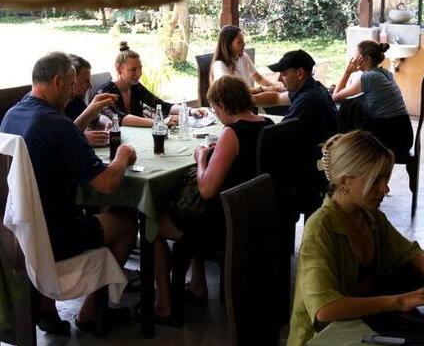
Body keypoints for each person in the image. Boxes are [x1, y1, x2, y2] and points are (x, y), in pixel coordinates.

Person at [281, 131, 424, 346]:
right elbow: (325, 310)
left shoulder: (369, 216)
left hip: (356, 331)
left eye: (386, 178)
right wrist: (399, 301)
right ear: (345, 181)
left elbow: (409, 252)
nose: (385, 188)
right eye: (376, 180)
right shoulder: (320, 229)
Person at [0, 52, 138, 333]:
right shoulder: (57, 124)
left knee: (98, 212)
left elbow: (57, 141)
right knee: (126, 223)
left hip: (18, 229)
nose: (74, 91)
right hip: (55, 235)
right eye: (72, 84)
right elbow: (106, 184)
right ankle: (91, 312)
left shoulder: (13, 115)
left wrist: (85, 117)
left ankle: (46, 306)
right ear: (57, 81)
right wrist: (123, 155)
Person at [153, 76, 274, 318]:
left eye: (215, 109)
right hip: (253, 209)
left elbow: (206, 189)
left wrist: (201, 159)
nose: (216, 114)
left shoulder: (232, 132)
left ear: (223, 104)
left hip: (222, 219)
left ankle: (163, 303)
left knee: (152, 225)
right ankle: (197, 284)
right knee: (194, 212)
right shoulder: (266, 123)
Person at [269, 49, 337, 216]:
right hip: (321, 164)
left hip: (311, 175)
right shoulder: (316, 88)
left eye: (284, 74)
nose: (279, 79)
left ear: (300, 73)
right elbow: (278, 98)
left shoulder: (307, 100)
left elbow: (277, 135)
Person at [332, 40, 413, 159]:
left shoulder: (369, 77)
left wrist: (348, 71)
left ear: (367, 59)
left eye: (356, 56)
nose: (353, 59)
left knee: (347, 110)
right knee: (354, 107)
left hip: (392, 140)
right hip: (404, 136)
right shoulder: (385, 73)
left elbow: (335, 96)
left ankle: (343, 158)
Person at [97, 41, 204, 127]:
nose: (139, 74)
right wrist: (159, 122)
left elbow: (162, 105)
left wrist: (190, 111)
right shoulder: (105, 92)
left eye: (140, 68)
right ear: (119, 69)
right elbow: (121, 119)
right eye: (133, 70)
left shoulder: (135, 87)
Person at [210, 25, 283, 105]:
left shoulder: (243, 56)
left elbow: (258, 78)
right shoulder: (219, 65)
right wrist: (263, 89)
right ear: (229, 46)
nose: (244, 44)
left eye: (243, 41)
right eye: (239, 42)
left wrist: (274, 87)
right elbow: (233, 91)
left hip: (245, 100)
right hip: (231, 106)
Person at [65, 54, 118, 147]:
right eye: (86, 81)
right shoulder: (51, 108)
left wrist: (107, 122)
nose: (90, 86)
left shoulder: (76, 100)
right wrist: (81, 138)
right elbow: (58, 141)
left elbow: (95, 118)